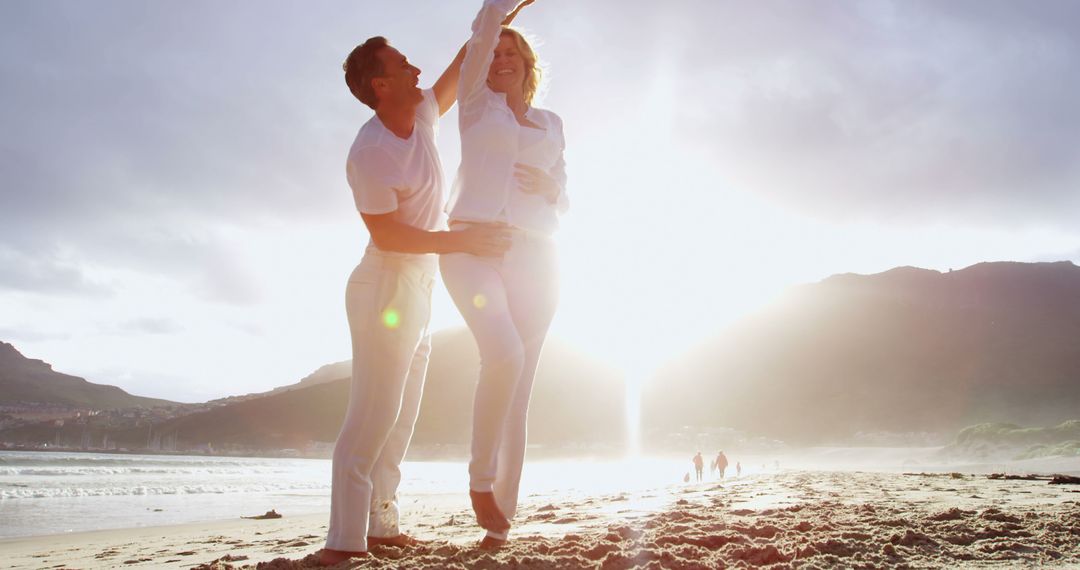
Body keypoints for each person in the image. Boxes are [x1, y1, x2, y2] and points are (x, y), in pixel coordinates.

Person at [320, 29, 519, 565]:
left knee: (401, 416)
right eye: (403, 65)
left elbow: (462, 69)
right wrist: (460, 241)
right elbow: (386, 234)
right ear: (380, 85)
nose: (416, 71)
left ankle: (383, 526)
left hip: (420, 283)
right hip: (384, 283)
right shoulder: (371, 152)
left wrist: (491, 23)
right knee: (371, 415)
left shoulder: (423, 115)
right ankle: (343, 543)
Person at [440, 0, 567, 549]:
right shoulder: (473, 104)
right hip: (473, 246)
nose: (503, 57)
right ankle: (478, 481)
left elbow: (566, 195)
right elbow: (484, 28)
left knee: (520, 388)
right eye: (496, 51)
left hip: (538, 255)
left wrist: (552, 190)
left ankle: (500, 518)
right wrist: (504, 10)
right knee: (503, 354)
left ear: (528, 64)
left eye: (514, 51)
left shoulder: (551, 124)